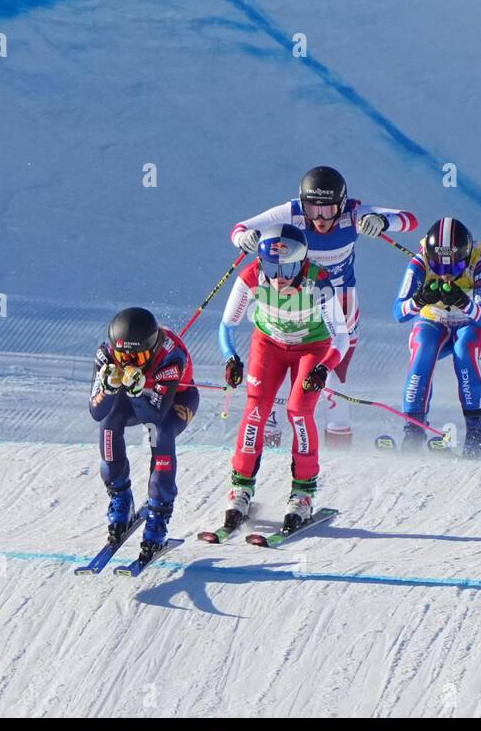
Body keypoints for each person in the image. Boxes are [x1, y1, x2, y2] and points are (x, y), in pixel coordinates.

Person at [229, 166, 416, 446]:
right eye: (311, 209)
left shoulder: (353, 213)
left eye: (327, 210)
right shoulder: (291, 213)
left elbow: (409, 219)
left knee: (333, 373)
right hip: (298, 298)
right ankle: (269, 442)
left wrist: (381, 221)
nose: (319, 218)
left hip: (339, 298)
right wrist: (244, 238)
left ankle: (338, 443)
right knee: (280, 367)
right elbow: (240, 228)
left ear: (340, 205)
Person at [219, 224, 351, 534]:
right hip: (269, 344)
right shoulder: (252, 276)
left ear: (302, 263)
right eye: (272, 267)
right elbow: (227, 325)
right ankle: (241, 489)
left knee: (299, 412)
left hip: (312, 347)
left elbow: (341, 337)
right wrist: (231, 357)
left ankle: (303, 494)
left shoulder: (318, 281)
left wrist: (324, 367)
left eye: (289, 268)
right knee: (255, 411)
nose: (279, 277)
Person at [89, 307, 199, 560]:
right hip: (136, 396)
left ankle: (159, 516)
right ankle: (120, 497)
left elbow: (154, 417)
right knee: (108, 423)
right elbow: (96, 411)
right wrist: (107, 389)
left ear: (151, 350)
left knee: (160, 434)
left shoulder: (171, 357)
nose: (127, 364)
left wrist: (137, 393)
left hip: (173, 400)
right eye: (122, 357)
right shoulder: (106, 355)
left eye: (136, 360)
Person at [392, 217, 481, 459]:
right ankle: (413, 431)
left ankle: (477, 437)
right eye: (439, 268)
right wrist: (419, 300)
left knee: (465, 351)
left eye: (456, 268)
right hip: (434, 322)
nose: (447, 275)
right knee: (423, 348)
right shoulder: (419, 262)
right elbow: (399, 313)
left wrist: (464, 302)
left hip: (471, 325)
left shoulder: (480, 263)